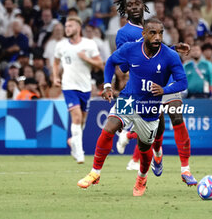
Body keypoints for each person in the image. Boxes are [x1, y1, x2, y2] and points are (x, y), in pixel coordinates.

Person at [77, 18, 188, 196]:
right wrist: (107, 85)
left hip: (151, 108)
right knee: (109, 126)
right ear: (143, 34)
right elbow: (111, 62)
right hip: (129, 99)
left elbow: (183, 82)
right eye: (152, 32)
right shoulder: (130, 49)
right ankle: (95, 173)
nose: (157, 37)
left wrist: (164, 90)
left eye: (160, 33)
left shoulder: (170, 55)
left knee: (144, 149)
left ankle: (142, 177)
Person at [113, 0, 197, 186]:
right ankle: (156, 153)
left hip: (165, 80)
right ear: (125, 10)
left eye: (137, 3)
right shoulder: (123, 34)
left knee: (177, 115)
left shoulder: (153, 24)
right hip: (143, 86)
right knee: (156, 126)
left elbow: (159, 49)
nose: (134, 7)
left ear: (144, 5)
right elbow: (124, 65)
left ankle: (185, 170)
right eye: (130, 5)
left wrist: (173, 48)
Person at [53, 15, 103, 164]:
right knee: (76, 117)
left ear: (78, 28)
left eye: (70, 26)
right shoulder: (61, 45)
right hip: (69, 86)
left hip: (85, 87)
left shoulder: (89, 44)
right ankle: (80, 152)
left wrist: (86, 58)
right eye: (66, 26)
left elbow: (100, 64)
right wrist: (55, 77)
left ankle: (73, 141)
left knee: (82, 121)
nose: (67, 28)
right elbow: (55, 63)